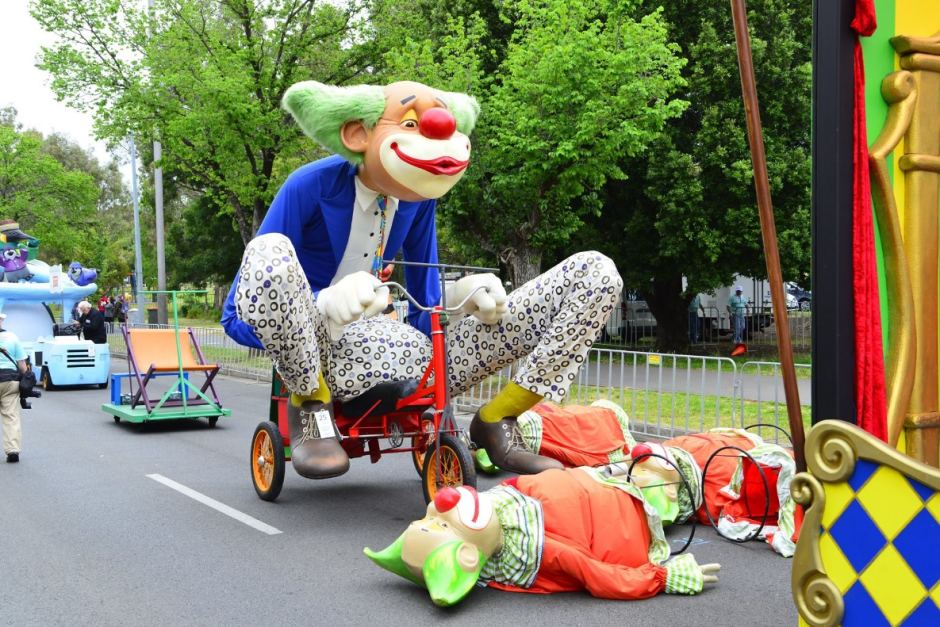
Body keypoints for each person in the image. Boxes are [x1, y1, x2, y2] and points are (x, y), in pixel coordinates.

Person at [222, 80, 621, 479]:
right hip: (321, 357)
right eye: (411, 125)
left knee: (595, 272)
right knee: (268, 249)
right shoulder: (307, 186)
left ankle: (499, 419)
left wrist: (461, 295)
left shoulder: (418, 199)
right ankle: (312, 406)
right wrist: (321, 305)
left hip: (415, 362)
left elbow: (422, 303)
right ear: (358, 134)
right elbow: (238, 312)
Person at [0, 313, 28, 463]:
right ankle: (12, 451)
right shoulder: (12, 337)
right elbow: (22, 365)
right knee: (11, 416)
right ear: (1, 321)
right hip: (10, 380)